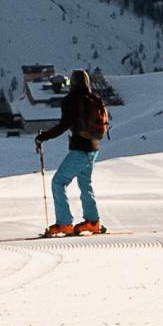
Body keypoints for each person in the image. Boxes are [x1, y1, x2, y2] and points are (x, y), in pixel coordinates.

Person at [35, 68, 109, 233]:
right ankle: (92, 222)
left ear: (72, 83)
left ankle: (64, 223)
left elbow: (64, 125)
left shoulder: (72, 100)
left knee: (58, 182)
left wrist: (44, 137)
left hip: (80, 149)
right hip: (93, 147)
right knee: (85, 183)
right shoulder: (94, 98)